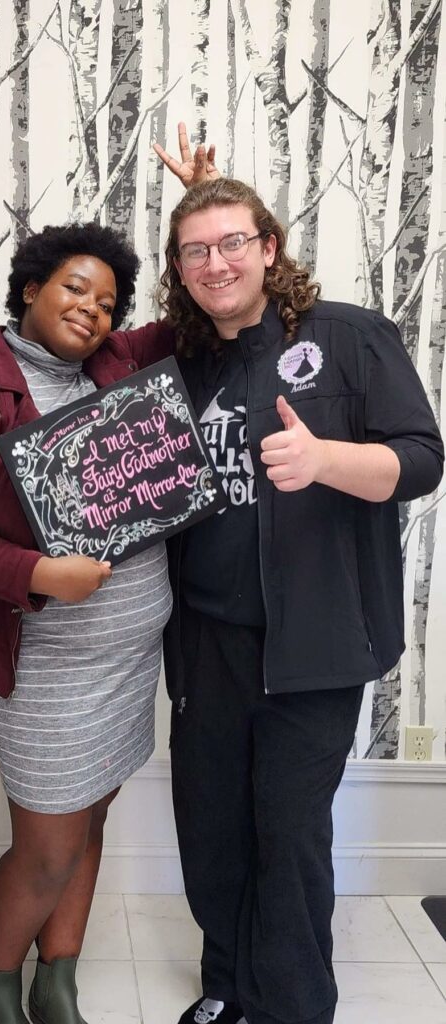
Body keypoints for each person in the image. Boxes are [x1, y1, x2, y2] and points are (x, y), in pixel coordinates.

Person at [159, 178, 443, 1024]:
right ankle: (227, 986)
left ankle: (291, 1006)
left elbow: (424, 459)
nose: (217, 263)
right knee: (212, 828)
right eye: (196, 250)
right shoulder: (186, 359)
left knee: (286, 834)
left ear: (270, 247)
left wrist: (327, 462)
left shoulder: (348, 336)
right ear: (180, 268)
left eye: (233, 242)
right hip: (206, 641)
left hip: (313, 645)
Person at [0, 223, 182, 1024]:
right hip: (43, 664)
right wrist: (41, 574)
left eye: (108, 303)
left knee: (93, 816)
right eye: (75, 287)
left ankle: (57, 975)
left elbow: (203, 309)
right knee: (47, 844)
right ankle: (0, 979)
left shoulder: (127, 366)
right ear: (29, 288)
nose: (92, 310)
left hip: (132, 657)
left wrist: (192, 214)